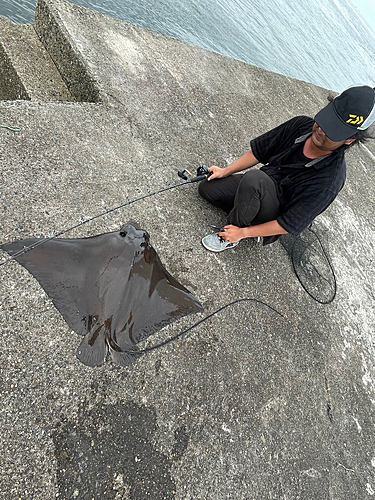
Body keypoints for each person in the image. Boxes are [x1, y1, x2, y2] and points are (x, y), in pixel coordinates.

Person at [199, 84, 375, 252]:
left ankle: (233, 233)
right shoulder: (300, 125)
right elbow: (258, 152)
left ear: (349, 140)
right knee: (208, 188)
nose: (322, 130)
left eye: (332, 131)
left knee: (254, 180)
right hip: (259, 187)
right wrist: (225, 171)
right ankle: (248, 214)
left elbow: (290, 223)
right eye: (325, 121)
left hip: (273, 213)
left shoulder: (330, 180)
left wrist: (242, 233)